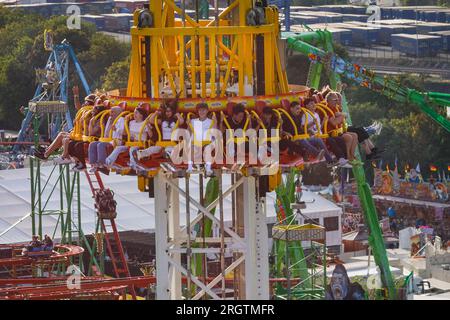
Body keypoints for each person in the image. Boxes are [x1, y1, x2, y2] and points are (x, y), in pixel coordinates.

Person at [326, 92, 383, 160]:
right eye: (336, 100)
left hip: (342, 128)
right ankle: (368, 152)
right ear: (330, 100)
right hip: (339, 130)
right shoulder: (330, 108)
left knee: (360, 130)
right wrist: (343, 115)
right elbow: (336, 122)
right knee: (359, 131)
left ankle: (372, 150)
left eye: (339, 100)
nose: (339, 101)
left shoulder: (336, 108)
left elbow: (342, 118)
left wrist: (342, 115)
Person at [303, 97, 350, 167]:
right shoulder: (305, 115)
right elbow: (304, 128)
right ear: (306, 106)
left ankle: (345, 159)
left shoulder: (316, 114)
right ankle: (335, 160)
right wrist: (312, 124)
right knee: (330, 140)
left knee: (340, 139)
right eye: (311, 104)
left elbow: (319, 128)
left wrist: (323, 122)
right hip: (314, 136)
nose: (314, 105)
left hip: (320, 135)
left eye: (314, 103)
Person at [88, 106, 125, 174]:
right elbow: (106, 131)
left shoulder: (121, 119)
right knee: (92, 144)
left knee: (101, 145)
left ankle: (101, 163)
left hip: (116, 140)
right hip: (108, 139)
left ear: (118, 113)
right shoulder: (110, 119)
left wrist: (116, 129)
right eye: (110, 112)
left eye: (112, 112)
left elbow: (123, 131)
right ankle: (93, 164)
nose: (110, 114)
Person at [186, 102, 217, 175]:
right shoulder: (193, 121)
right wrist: (188, 125)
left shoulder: (210, 121)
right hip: (196, 142)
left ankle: (208, 167)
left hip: (207, 142)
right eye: (200, 110)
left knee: (208, 149)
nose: (201, 112)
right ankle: (190, 166)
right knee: (191, 147)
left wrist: (215, 123)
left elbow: (215, 133)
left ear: (207, 111)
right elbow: (188, 133)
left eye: (203, 110)